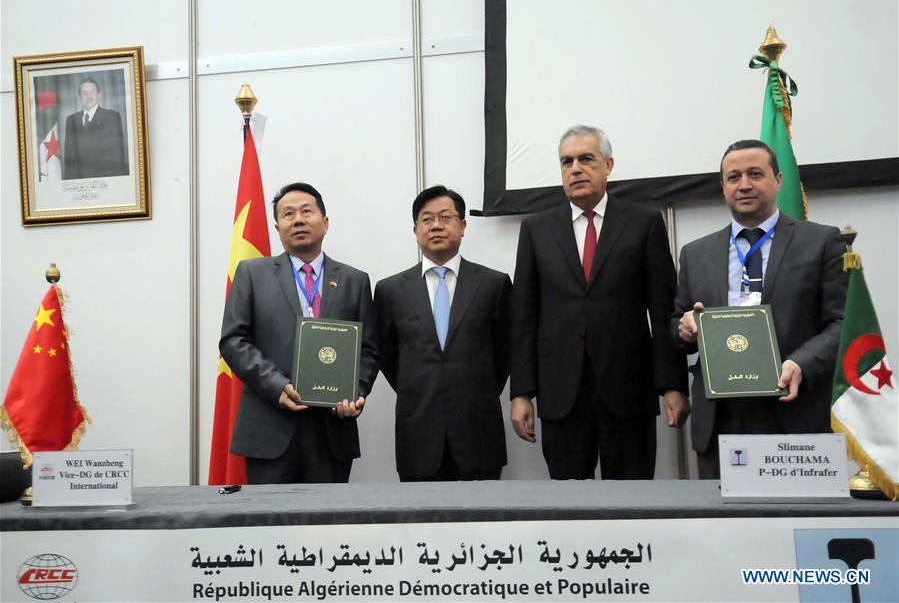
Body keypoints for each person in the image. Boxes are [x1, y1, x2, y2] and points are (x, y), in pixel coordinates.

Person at [509, 125, 689, 480]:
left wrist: (673, 384)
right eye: (566, 162)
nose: (575, 168)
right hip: (561, 393)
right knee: (568, 507)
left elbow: (663, 307)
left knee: (632, 501)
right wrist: (521, 392)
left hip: (628, 391)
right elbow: (524, 317)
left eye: (585, 159)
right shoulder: (536, 230)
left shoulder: (644, 223)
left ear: (608, 164)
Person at [672, 139, 848, 478]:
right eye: (734, 177)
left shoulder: (822, 242)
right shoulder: (695, 253)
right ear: (723, 187)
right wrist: (684, 328)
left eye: (755, 174)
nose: (745, 185)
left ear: (778, 180)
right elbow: (676, 323)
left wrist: (801, 362)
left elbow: (843, 322)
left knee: (793, 525)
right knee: (723, 529)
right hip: (720, 420)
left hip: (795, 414)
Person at [220, 182, 378, 484]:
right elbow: (233, 340)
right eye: (288, 214)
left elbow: (369, 349)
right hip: (269, 426)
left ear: (325, 222)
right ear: (278, 228)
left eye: (307, 211)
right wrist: (276, 386)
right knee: (270, 526)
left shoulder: (355, 280)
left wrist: (355, 392)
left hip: (332, 430)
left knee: (328, 528)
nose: (299, 219)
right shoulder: (251, 274)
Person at [374, 185, 511, 481]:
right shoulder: (390, 290)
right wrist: (423, 385)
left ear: (462, 226)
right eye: (427, 219)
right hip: (418, 432)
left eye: (445, 217)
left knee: (484, 525)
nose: (436, 225)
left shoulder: (494, 284)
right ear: (415, 230)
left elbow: (504, 353)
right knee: (421, 526)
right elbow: (386, 355)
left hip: (479, 432)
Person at [63, 78, 128, 179]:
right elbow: (69, 158)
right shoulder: (71, 119)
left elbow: (117, 156)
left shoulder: (112, 117)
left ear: (99, 94)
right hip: (79, 184)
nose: (88, 96)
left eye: (92, 92)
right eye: (84, 93)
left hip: (105, 179)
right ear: (79, 96)